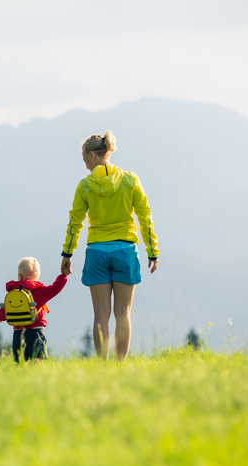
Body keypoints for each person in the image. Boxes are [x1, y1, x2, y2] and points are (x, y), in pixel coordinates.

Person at [60, 131, 159, 361]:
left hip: (96, 253)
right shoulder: (130, 179)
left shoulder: (85, 186)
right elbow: (145, 217)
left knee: (100, 315)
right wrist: (152, 251)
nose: (85, 166)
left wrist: (67, 253)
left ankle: (102, 366)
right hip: (125, 250)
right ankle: (120, 365)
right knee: (123, 313)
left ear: (93, 155)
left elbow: (75, 222)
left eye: (85, 160)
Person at [0, 257, 67, 362]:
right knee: (37, 361)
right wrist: (63, 276)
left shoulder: (14, 292)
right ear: (37, 277)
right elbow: (55, 288)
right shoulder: (41, 291)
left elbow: (6, 308)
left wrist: (0, 317)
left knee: (20, 364)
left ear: (19, 276)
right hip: (35, 333)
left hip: (18, 333)